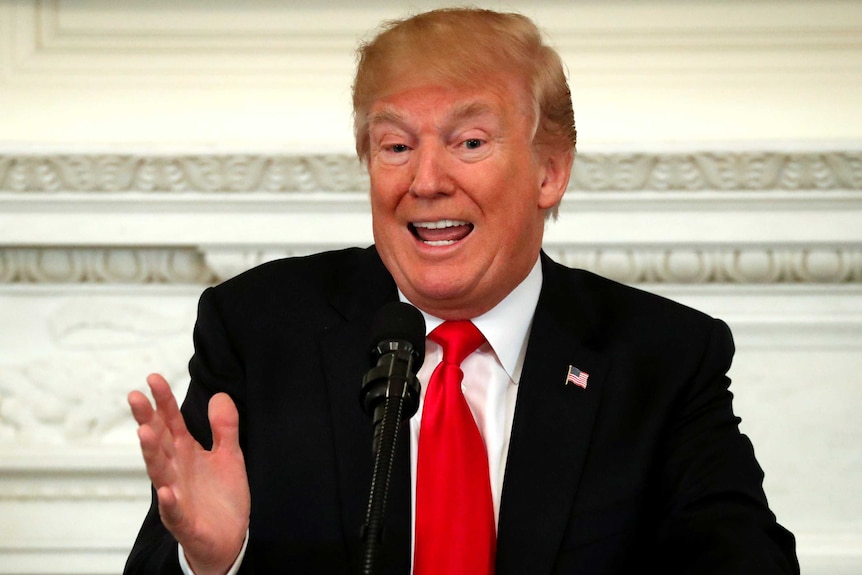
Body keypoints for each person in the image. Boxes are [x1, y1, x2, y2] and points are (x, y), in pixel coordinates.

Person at [125, 8, 799, 575]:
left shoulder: (661, 358)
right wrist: (213, 560)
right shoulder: (260, 329)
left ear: (550, 171)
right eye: (394, 147)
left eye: (468, 141)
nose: (425, 181)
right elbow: (161, 559)